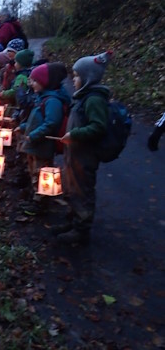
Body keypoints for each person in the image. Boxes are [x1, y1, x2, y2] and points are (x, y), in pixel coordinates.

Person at [53, 51, 113, 245]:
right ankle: (72, 221)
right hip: (74, 154)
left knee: (83, 190)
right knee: (71, 187)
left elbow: (98, 127)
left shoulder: (94, 100)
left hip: (85, 155)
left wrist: (75, 135)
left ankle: (82, 229)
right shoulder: (83, 97)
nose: (74, 79)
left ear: (87, 78)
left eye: (77, 76)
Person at [17, 62, 70, 212]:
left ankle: (40, 202)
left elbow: (51, 123)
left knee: (41, 171)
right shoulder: (42, 97)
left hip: (43, 143)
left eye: (35, 81)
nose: (31, 84)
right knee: (33, 169)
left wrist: (33, 135)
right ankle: (34, 195)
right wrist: (23, 127)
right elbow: (35, 118)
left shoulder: (53, 101)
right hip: (34, 142)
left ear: (45, 82)